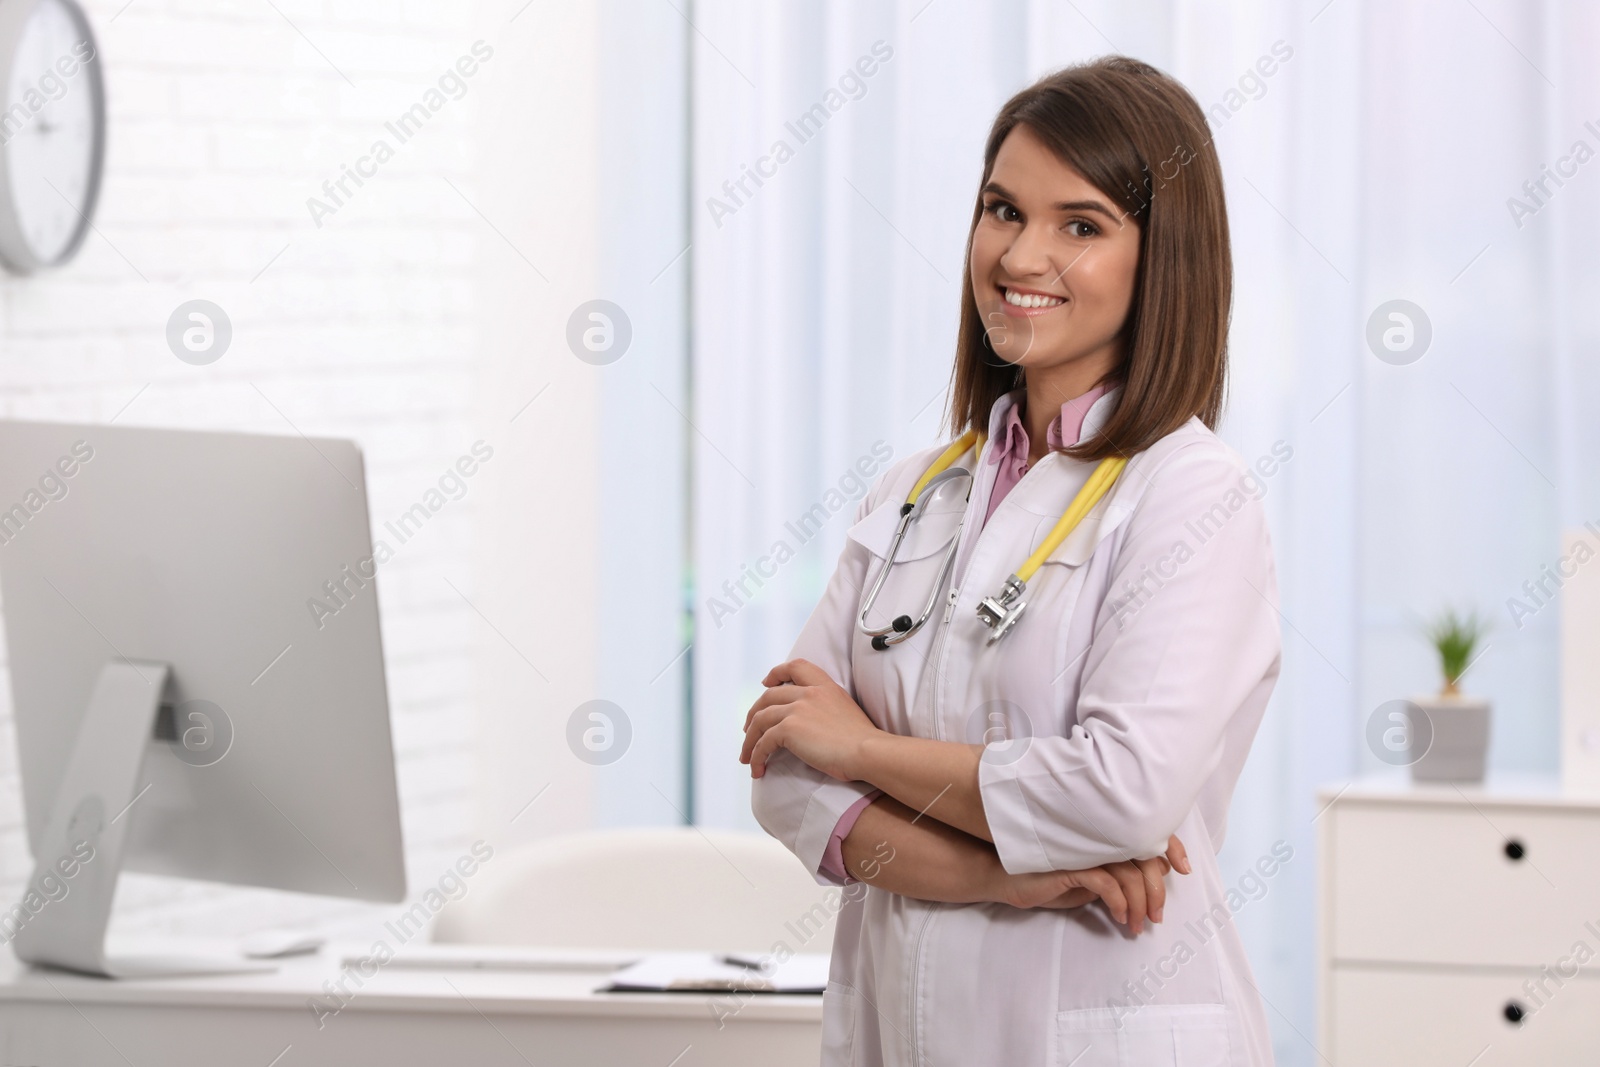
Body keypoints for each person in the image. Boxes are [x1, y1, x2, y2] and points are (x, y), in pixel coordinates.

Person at [739, 55, 1281, 1066]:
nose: (1021, 254)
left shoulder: (1190, 492)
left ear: (1162, 257)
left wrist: (861, 750)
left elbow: (1119, 793)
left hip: (1105, 1017)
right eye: (1001, 210)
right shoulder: (913, 490)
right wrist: (999, 873)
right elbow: (786, 773)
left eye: (1081, 224)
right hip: (900, 1022)